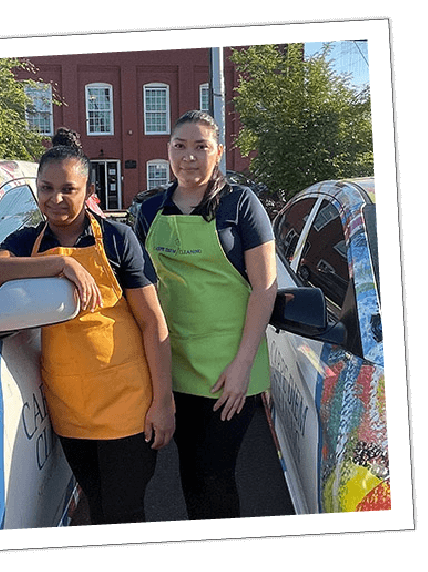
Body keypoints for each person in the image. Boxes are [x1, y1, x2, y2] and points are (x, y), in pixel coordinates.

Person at [0, 128, 174, 525]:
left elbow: (153, 323)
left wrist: (163, 403)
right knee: (98, 507)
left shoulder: (117, 239)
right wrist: (60, 264)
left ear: (88, 190)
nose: (57, 198)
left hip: (128, 406)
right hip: (70, 410)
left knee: (125, 513)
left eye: (69, 188)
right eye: (46, 188)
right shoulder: (27, 241)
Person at [134, 110, 277, 520]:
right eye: (180, 146)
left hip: (228, 370)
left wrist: (242, 366)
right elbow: (140, 287)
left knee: (215, 474)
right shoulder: (150, 211)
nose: (189, 157)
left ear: (219, 152)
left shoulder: (240, 204)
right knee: (190, 472)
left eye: (201, 146)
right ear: (168, 151)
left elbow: (264, 289)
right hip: (173, 365)